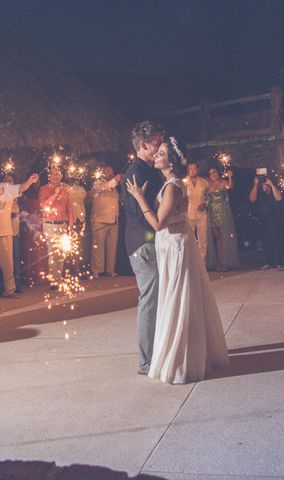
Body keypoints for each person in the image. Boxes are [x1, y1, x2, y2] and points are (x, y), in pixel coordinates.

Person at [126, 139, 229, 384]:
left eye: (161, 153)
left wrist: (139, 198)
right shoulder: (170, 183)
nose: (156, 156)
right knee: (177, 297)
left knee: (178, 298)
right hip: (170, 245)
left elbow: (158, 223)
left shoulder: (172, 186)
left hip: (175, 247)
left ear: (170, 161)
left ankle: (181, 357)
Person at [121, 121, 164, 376]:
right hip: (143, 244)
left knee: (156, 298)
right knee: (149, 299)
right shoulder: (135, 172)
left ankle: (157, 351)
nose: (159, 149)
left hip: (152, 242)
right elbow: (139, 216)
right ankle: (146, 360)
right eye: (156, 144)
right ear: (144, 144)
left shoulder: (150, 169)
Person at [0, 163, 39, 298]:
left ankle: (10, 290)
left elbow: (20, 188)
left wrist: (29, 181)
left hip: (5, 231)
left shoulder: (5, 187)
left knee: (8, 263)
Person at [39, 166, 75, 289]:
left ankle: (59, 279)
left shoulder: (66, 190)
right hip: (49, 224)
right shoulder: (44, 189)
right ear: (49, 176)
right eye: (53, 173)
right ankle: (53, 281)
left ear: (61, 176)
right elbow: (44, 205)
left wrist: (70, 225)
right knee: (53, 253)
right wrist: (55, 194)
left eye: (58, 173)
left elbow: (69, 208)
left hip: (62, 224)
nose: (56, 176)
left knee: (61, 253)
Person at [206, 166, 240, 271]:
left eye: (214, 172)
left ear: (218, 173)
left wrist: (230, 177)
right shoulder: (208, 184)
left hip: (223, 211)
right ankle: (218, 262)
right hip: (211, 212)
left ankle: (225, 262)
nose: (213, 175)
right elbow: (205, 198)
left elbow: (230, 186)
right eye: (211, 173)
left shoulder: (223, 182)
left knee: (224, 236)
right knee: (216, 238)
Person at [90, 165, 121, 277]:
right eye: (107, 171)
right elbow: (103, 187)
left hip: (113, 220)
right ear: (102, 173)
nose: (110, 173)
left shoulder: (115, 188)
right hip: (100, 220)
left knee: (112, 247)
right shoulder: (98, 183)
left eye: (112, 172)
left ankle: (110, 269)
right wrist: (115, 180)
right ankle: (97, 270)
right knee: (98, 247)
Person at [249, 174, 284, 271]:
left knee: (276, 240)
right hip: (263, 219)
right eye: (262, 184)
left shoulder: (273, 190)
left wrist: (271, 184)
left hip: (274, 219)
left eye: (265, 183)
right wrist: (255, 185)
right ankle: (269, 262)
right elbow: (252, 199)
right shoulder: (259, 191)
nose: (264, 185)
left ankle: (279, 263)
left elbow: (279, 198)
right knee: (266, 241)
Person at [185, 161, 209, 260]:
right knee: (189, 239)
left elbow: (209, 196)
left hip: (201, 214)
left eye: (194, 168)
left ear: (197, 169)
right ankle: (190, 262)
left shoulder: (204, 182)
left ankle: (202, 263)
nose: (192, 171)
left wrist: (205, 204)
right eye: (190, 169)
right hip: (188, 214)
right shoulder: (183, 182)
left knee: (203, 240)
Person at [4, 173, 23, 291]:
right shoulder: (4, 195)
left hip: (16, 231)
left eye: (11, 181)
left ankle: (17, 283)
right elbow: (5, 213)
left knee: (16, 257)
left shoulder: (16, 196)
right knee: (9, 258)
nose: (9, 183)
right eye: (7, 181)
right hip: (7, 231)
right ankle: (10, 285)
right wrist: (17, 214)